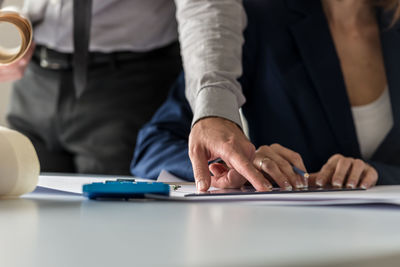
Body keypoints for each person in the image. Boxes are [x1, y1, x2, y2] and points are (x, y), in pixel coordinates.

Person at [131, 0, 400, 190]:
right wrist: (235, 165)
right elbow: (154, 146)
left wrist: (379, 174)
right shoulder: (256, 19)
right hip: (286, 237)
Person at [0, 0, 183, 175]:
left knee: (113, 204)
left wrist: (207, 104)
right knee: (26, 197)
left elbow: (200, 10)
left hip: (126, 87)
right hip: (35, 81)